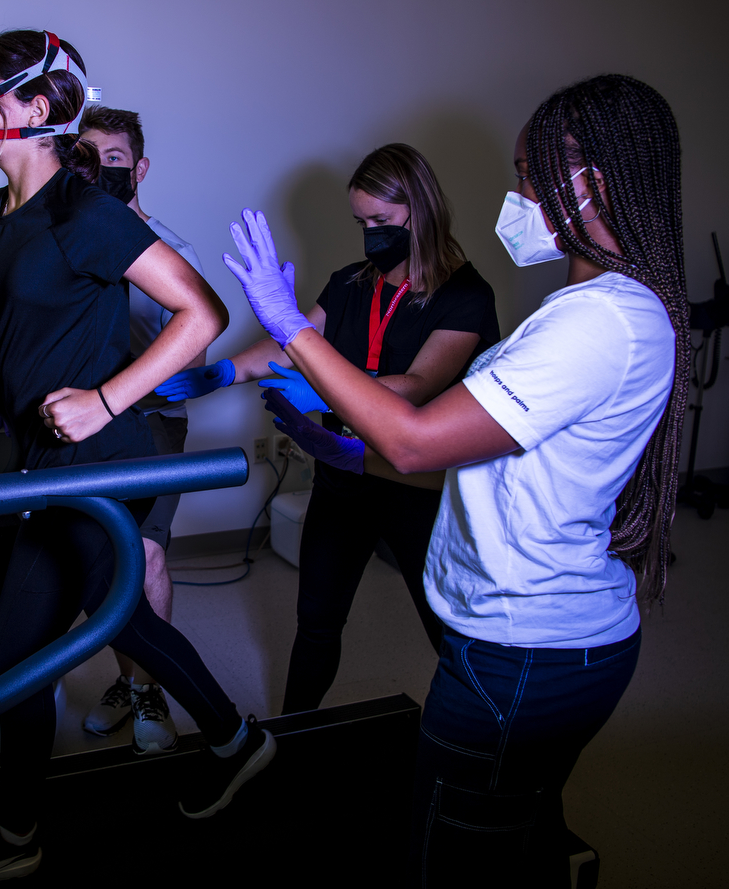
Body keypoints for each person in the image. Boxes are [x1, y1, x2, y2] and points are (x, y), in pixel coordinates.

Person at [229, 74, 684, 885]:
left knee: (451, 862)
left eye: (525, 174)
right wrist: (345, 454)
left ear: (592, 183)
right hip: (533, 635)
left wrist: (292, 328)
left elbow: (410, 437)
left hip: (527, 652)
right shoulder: (592, 310)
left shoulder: (597, 320)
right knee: (502, 835)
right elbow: (486, 463)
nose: (516, 195)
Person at [0, 30, 275, 887]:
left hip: (106, 463)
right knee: (109, 621)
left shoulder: (83, 211)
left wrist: (106, 399)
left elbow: (201, 315)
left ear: (36, 106)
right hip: (44, 461)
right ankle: (238, 741)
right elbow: (15, 319)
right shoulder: (0, 215)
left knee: (24, 649)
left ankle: (18, 834)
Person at [157, 144, 499, 715]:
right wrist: (223, 372)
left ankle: (476, 736)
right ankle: (294, 734)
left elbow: (416, 385)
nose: (369, 234)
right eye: (361, 222)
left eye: (382, 222)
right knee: (315, 623)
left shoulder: (465, 296)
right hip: (342, 474)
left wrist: (321, 392)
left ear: (421, 210)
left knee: (446, 631)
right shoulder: (349, 284)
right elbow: (293, 344)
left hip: (416, 486)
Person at [74, 105, 209, 753]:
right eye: (90, 161)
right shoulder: (68, 242)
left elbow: (198, 356)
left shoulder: (171, 253)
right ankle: (129, 681)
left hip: (151, 418)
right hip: (84, 419)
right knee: (101, 556)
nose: (103, 173)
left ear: (141, 169)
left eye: (117, 163)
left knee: (145, 552)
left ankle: (152, 688)